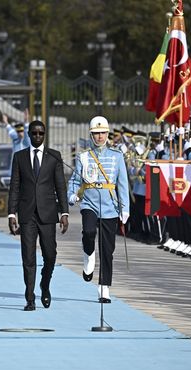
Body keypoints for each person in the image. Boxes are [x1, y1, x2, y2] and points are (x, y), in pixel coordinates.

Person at [7, 120, 69, 311]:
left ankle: (44, 284)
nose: (37, 137)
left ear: (45, 135)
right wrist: (11, 214)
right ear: (29, 134)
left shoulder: (54, 157)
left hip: (48, 214)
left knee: (50, 255)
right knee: (28, 257)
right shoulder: (19, 157)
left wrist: (64, 212)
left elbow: (60, 187)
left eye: (41, 133)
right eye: (34, 133)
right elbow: (14, 187)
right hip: (27, 215)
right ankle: (30, 298)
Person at [67, 116, 130, 303]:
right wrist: (71, 195)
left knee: (107, 249)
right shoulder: (84, 156)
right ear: (91, 135)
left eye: (102, 133)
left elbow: (123, 184)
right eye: (96, 134)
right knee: (88, 232)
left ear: (107, 133)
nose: (100, 137)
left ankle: (104, 287)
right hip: (89, 203)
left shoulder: (117, 156)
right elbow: (75, 180)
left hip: (110, 206)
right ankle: (88, 254)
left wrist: (124, 208)